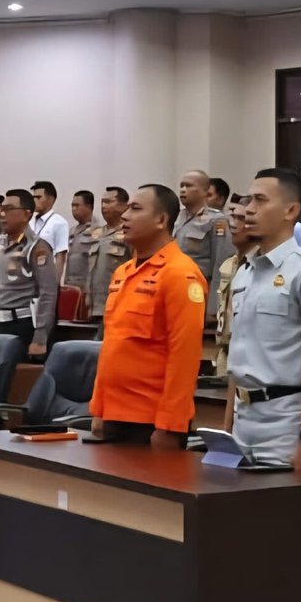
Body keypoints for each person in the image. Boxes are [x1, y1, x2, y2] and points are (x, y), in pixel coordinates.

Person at [225, 168, 301, 470]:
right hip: (242, 418)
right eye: (249, 200)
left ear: (291, 210)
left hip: (284, 422)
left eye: (260, 200)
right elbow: (239, 354)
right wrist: (226, 430)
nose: (248, 209)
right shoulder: (246, 271)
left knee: (277, 514)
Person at [90, 184, 207, 449]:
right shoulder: (124, 272)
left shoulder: (180, 274)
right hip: (113, 415)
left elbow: (184, 355)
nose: (124, 216)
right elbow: (112, 346)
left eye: (136, 208)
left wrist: (170, 424)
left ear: (161, 220)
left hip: (151, 422)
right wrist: (98, 409)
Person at [0, 189, 59, 356]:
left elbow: (48, 292)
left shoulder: (37, 247)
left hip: (23, 324)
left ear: (26, 214)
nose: (1, 214)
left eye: (8, 209)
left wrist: (40, 338)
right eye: (1, 209)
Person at [176, 170, 234, 325]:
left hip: (200, 292)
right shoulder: (176, 217)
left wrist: (214, 307)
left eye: (188, 186)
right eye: (181, 186)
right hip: (175, 290)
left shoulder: (217, 221)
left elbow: (221, 264)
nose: (183, 190)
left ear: (204, 191)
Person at [213, 198, 256, 375]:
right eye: (233, 217)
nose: (233, 224)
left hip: (250, 356)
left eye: (242, 219)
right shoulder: (229, 265)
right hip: (225, 350)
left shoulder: (261, 265)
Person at [87, 186, 132, 327]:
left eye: (108, 202)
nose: (103, 206)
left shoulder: (130, 233)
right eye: (102, 202)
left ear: (123, 206)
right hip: (95, 306)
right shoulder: (96, 233)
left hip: (117, 305)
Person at [30, 180, 71, 279]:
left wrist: (55, 284)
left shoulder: (59, 223)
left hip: (46, 277)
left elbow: (60, 256)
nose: (34, 200)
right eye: (33, 197)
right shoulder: (28, 221)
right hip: (28, 277)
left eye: (38, 197)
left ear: (50, 199)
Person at [65, 190, 98, 292]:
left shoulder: (97, 231)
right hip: (68, 284)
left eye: (77, 205)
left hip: (85, 286)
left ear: (88, 206)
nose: (73, 209)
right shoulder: (71, 231)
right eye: (72, 206)